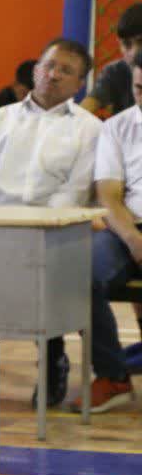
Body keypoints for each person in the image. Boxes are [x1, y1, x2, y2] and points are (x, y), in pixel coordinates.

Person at [0, 38, 102, 407]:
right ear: (36, 69)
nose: (53, 75)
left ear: (80, 85)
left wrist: (35, 230)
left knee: (50, 271)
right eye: (48, 65)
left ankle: (53, 356)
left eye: (66, 71)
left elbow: (74, 191)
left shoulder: (90, 130)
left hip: (51, 233)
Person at [80, 51, 142, 414]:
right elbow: (108, 195)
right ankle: (113, 376)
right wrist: (134, 240)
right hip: (126, 227)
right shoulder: (117, 126)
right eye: (139, 88)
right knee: (78, 276)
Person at [80, 2, 142, 117]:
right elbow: (85, 108)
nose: (134, 52)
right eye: (127, 45)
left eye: (141, 42)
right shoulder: (115, 71)